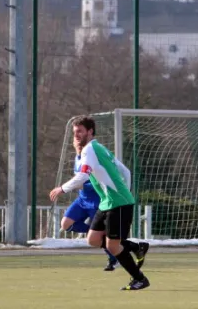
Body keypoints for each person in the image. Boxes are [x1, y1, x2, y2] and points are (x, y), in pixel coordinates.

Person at [50, 115, 150, 291]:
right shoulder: (99, 148)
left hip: (117, 203)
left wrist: (62, 189)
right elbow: (125, 172)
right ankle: (136, 247)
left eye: (80, 131)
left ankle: (139, 279)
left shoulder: (90, 150)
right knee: (93, 239)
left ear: (90, 131)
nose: (77, 135)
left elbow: (83, 176)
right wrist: (123, 191)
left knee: (113, 245)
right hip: (107, 203)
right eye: (75, 132)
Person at [52, 137, 119, 271]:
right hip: (82, 200)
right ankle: (93, 232)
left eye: (79, 141)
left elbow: (87, 178)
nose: (77, 143)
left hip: (96, 200)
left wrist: (65, 188)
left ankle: (114, 258)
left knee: (101, 235)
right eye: (75, 141)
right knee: (66, 224)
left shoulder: (91, 157)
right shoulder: (77, 158)